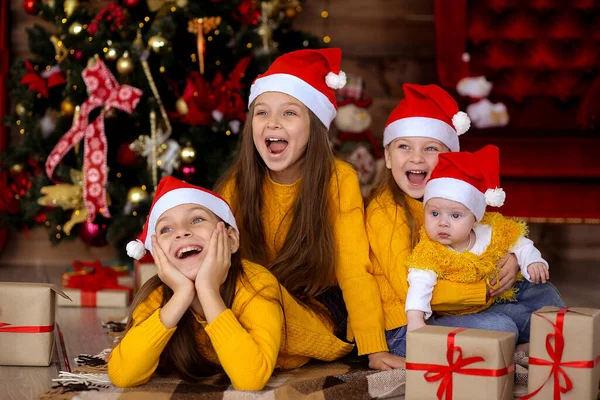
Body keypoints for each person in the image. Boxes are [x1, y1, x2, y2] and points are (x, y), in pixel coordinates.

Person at [216, 48, 403, 370]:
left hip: (317, 302)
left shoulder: (337, 179)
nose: (272, 123)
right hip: (256, 297)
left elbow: (354, 269)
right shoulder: (237, 184)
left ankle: (245, 346)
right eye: (262, 113)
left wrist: (374, 348)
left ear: (314, 126)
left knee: (272, 330)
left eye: (289, 113)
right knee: (248, 298)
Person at [366, 83, 557, 359]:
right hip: (407, 323)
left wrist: (514, 261)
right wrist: (485, 289)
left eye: (430, 148)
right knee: (501, 325)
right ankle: (514, 349)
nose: (416, 157)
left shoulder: (456, 198)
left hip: (459, 307)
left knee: (540, 291)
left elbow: (489, 236)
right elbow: (412, 290)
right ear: (386, 156)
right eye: (404, 146)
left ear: (450, 157)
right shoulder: (385, 212)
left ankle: (563, 338)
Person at [108, 176, 353, 390]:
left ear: (231, 238)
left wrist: (207, 290)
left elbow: (251, 379)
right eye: (166, 229)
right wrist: (182, 294)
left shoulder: (256, 284)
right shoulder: (157, 296)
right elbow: (123, 374)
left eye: (196, 220)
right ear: (156, 252)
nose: (181, 232)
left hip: (329, 314)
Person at [404, 144, 552, 333]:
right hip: (459, 316)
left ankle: (564, 330)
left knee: (541, 291)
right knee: (502, 325)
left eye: (455, 216)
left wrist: (532, 261)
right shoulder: (429, 251)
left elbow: (520, 244)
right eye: (434, 213)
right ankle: (522, 342)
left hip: (494, 302)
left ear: (475, 219)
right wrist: (415, 320)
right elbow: (419, 285)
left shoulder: (490, 231)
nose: (443, 223)